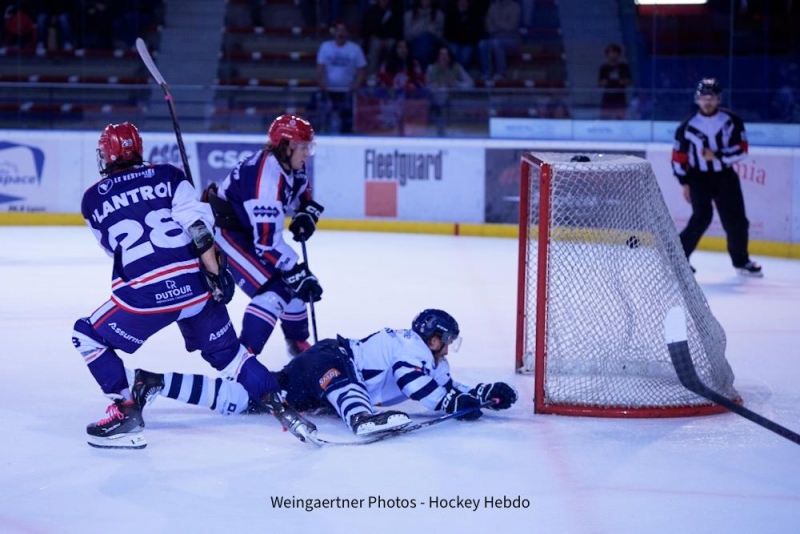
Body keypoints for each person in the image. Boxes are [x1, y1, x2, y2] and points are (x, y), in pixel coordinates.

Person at [71, 122, 310, 450]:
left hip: (145, 295)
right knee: (232, 356)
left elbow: (114, 249)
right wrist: (214, 273)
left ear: (106, 156)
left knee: (86, 335)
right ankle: (283, 410)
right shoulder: (168, 174)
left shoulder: (91, 200)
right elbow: (199, 229)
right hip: (195, 287)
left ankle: (125, 408)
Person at [128, 309, 518, 437]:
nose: (448, 348)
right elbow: (412, 383)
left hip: (313, 381)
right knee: (344, 382)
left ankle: (156, 382)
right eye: (446, 340)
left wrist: (483, 394)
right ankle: (361, 418)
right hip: (329, 360)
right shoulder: (410, 347)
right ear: (433, 338)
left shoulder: (430, 359)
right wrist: (450, 402)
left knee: (246, 400)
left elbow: (447, 386)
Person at [203, 114, 324, 360]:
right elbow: (267, 243)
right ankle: (241, 361)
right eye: (303, 147)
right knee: (275, 290)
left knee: (291, 285)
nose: (307, 153)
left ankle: (297, 341)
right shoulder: (266, 182)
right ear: (285, 146)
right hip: (228, 234)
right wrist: (298, 270)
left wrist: (306, 212)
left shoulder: (289, 162)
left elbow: (301, 187)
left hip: (250, 229)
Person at [671, 78, 763, 277]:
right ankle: (678, 259)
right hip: (698, 178)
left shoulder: (731, 121)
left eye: (711, 97)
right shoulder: (687, 127)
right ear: (697, 100)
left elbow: (742, 150)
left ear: (718, 99)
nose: (707, 101)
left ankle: (741, 261)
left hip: (725, 177)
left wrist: (718, 155)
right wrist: (684, 182)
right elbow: (678, 158)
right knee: (701, 217)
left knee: (736, 220)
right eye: (703, 97)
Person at [314, 20, 367, 134]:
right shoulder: (325, 47)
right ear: (334, 32)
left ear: (347, 33)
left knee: (346, 119)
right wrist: (322, 82)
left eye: (343, 30)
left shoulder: (355, 49)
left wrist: (356, 84)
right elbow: (320, 66)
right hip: (329, 90)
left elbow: (362, 69)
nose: (340, 33)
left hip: (347, 91)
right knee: (325, 116)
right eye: (338, 30)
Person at [477, 0, 521, 80]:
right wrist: (501, 26)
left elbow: (511, 27)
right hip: (493, 38)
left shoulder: (515, 7)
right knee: (482, 44)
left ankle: (501, 73)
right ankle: (486, 73)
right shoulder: (492, 7)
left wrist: (496, 24)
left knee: (497, 43)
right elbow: (488, 26)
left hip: (512, 41)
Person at [597, 43, 632, 120]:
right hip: (607, 98)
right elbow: (600, 83)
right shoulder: (604, 68)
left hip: (620, 97)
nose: (612, 55)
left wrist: (615, 81)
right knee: (604, 119)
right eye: (610, 52)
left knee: (620, 120)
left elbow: (629, 81)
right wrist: (616, 81)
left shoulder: (624, 67)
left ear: (618, 54)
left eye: (614, 52)